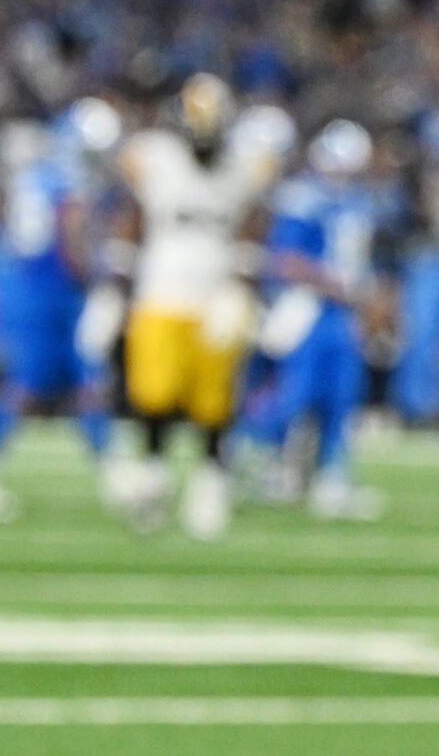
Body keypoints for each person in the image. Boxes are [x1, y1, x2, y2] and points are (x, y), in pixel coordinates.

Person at [112, 77, 290, 539]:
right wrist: (114, 281)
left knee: (214, 402)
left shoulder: (242, 165)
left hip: (215, 298)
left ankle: (211, 481)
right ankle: (154, 473)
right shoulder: (156, 156)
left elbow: (255, 221)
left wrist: (243, 284)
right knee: (154, 394)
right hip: (161, 294)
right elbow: (131, 213)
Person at [0, 97, 122, 522]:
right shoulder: (68, 179)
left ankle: (116, 477)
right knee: (33, 385)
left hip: (24, 284)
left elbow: (7, 225)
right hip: (52, 292)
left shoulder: (37, 173)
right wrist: (95, 278)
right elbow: (70, 237)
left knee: (82, 381)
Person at [244, 119, 386, 521]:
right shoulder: (303, 198)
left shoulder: (357, 201)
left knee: (341, 398)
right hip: (306, 309)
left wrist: (358, 296)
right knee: (296, 396)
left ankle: (331, 478)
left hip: (341, 314)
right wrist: (332, 285)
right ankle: (273, 466)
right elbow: (286, 260)